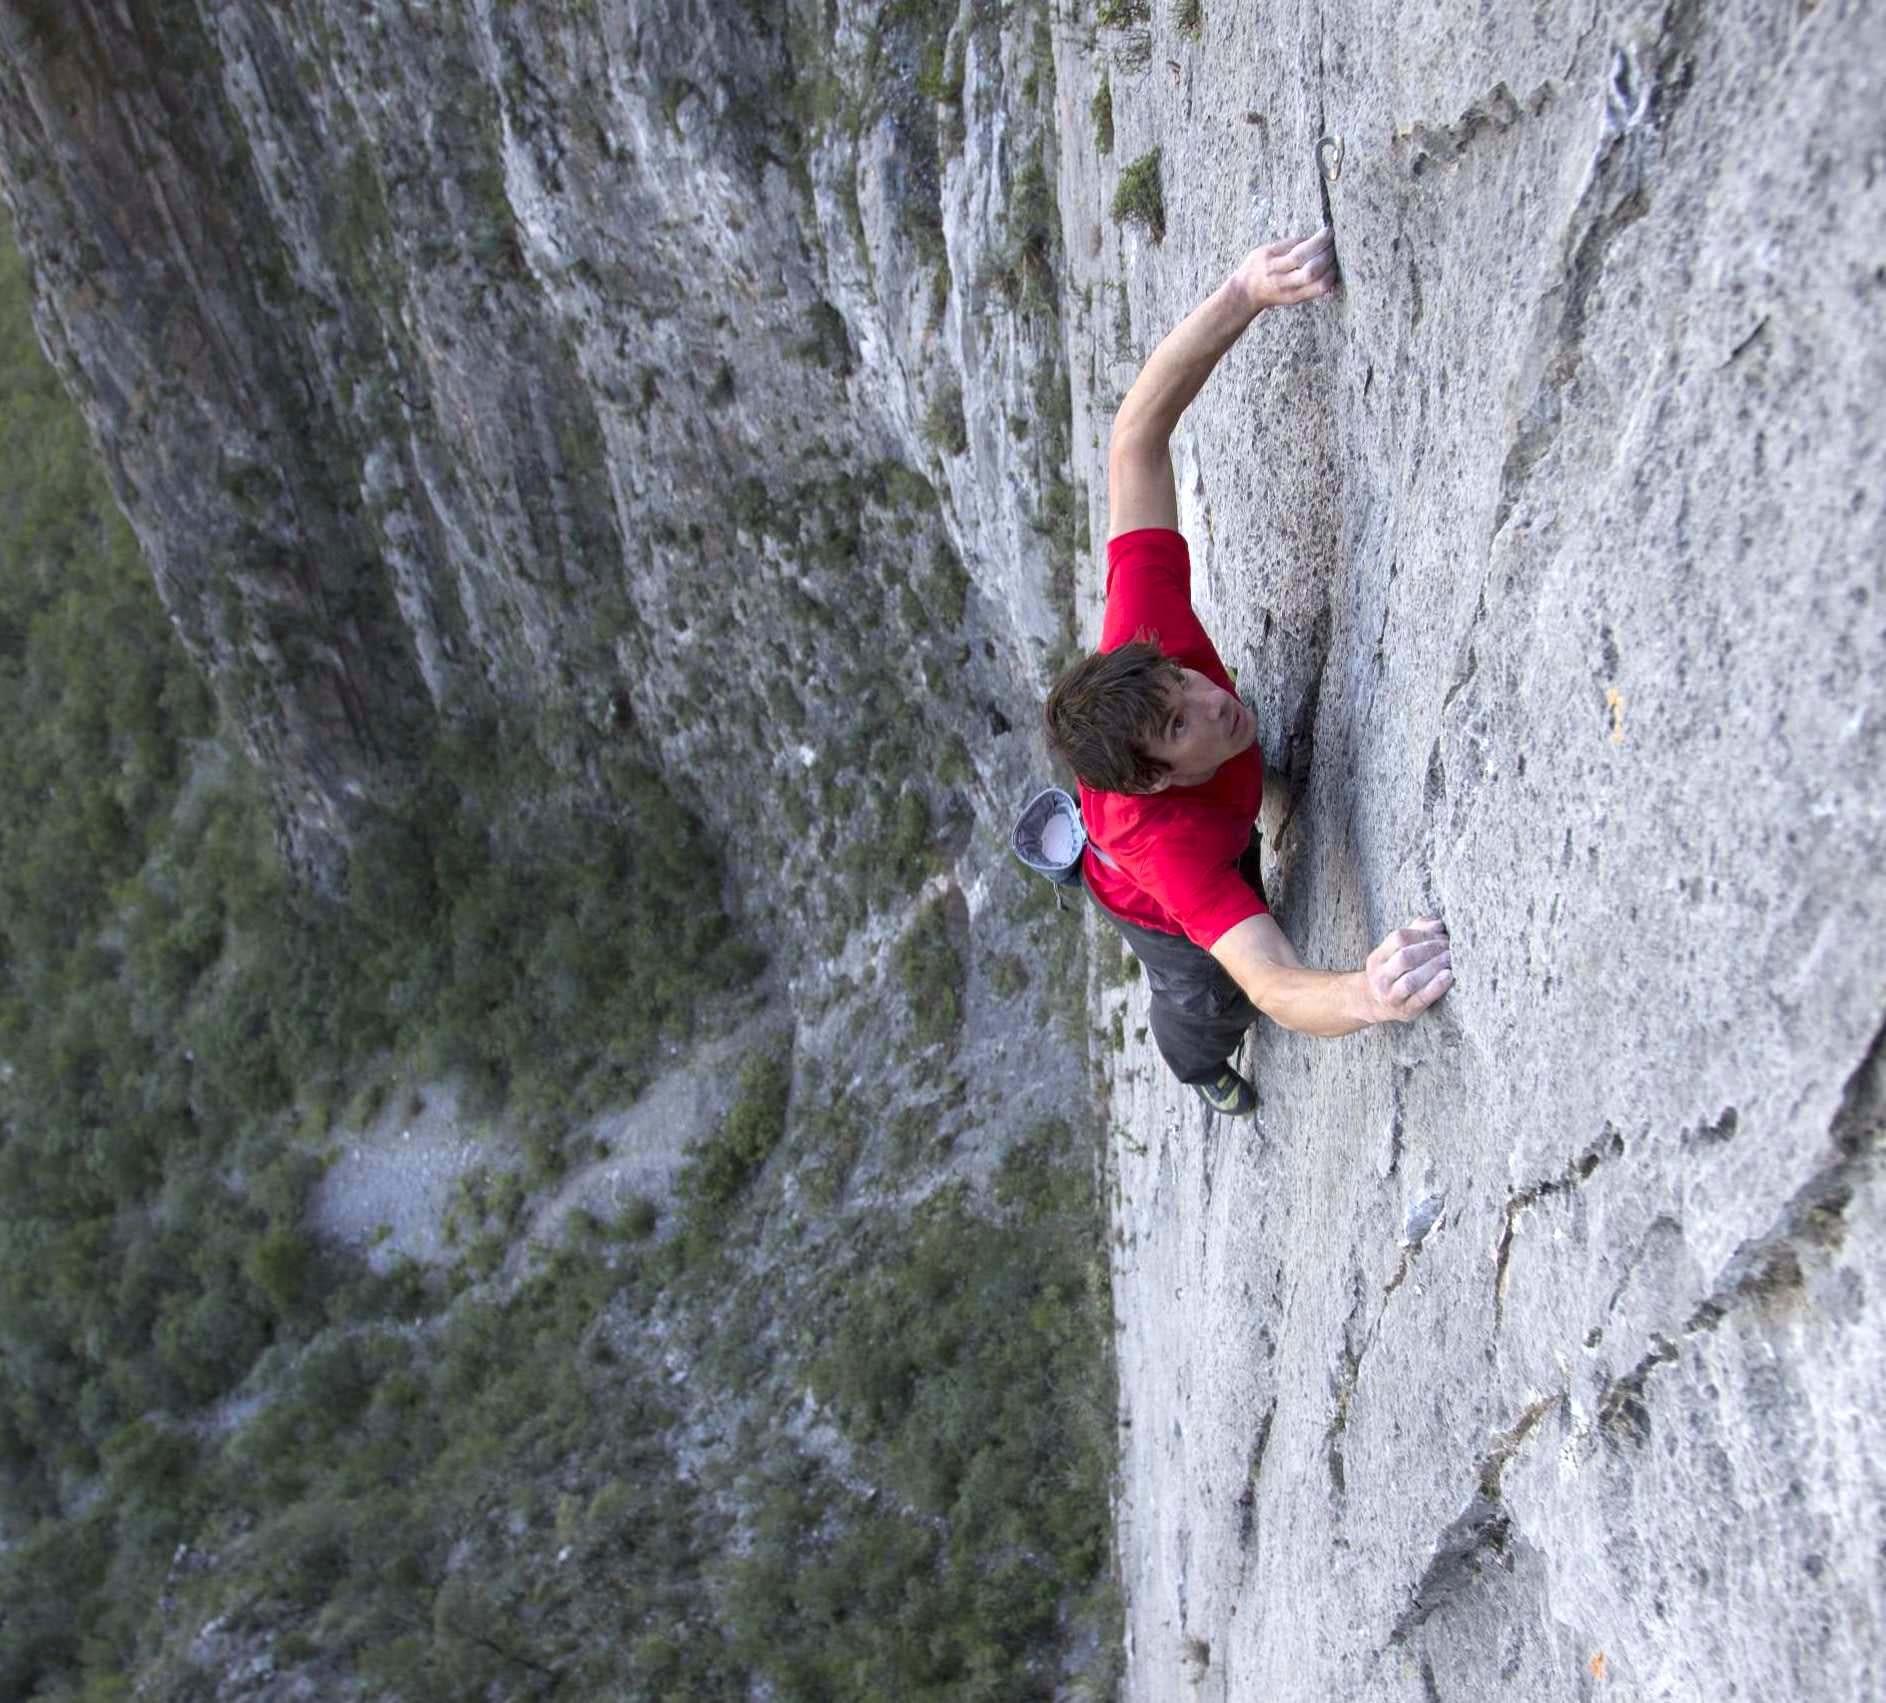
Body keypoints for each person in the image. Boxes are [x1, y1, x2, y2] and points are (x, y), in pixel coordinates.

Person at [1044, 227, 1453, 1117]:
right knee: (1206, 1003)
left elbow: (1135, 442)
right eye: (1179, 722)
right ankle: (1200, 1074)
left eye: (1179, 683)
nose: (1208, 698)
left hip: (1202, 803)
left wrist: (1242, 292)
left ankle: (1260, 796)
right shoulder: (1170, 850)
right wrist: (1368, 993)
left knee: (1244, 773)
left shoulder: (1144, 643)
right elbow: (1271, 983)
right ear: (1153, 777)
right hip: (1152, 901)